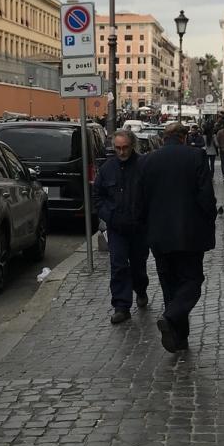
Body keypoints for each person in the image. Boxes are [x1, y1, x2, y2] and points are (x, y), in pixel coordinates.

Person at [138, 121, 217, 354]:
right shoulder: (196, 156)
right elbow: (205, 195)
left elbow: (140, 200)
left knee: (170, 286)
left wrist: (145, 229)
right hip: (189, 233)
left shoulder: (147, 161)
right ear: (184, 137)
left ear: (164, 138)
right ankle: (171, 317)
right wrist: (210, 218)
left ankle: (179, 338)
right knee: (192, 281)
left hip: (159, 235)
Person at [94, 127, 149, 325]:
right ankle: (121, 306)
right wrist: (109, 215)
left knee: (138, 265)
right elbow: (97, 196)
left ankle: (140, 289)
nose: (122, 152)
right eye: (118, 148)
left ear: (132, 146)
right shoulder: (107, 169)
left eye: (125, 147)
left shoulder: (143, 166)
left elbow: (152, 194)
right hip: (117, 227)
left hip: (139, 227)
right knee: (118, 265)